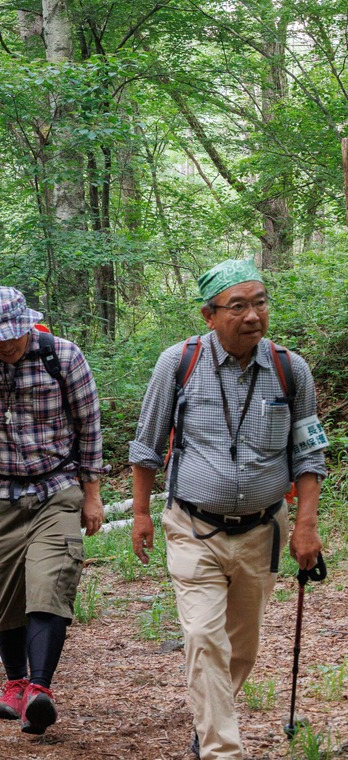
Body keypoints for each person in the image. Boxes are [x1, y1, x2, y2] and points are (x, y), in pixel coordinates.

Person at [128, 260, 325, 760]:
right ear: (209, 315)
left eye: (259, 302)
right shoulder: (178, 363)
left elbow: (308, 453)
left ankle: (209, 719)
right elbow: (148, 444)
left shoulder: (290, 368)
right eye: (238, 306)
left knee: (241, 648)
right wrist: (142, 513)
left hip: (263, 530)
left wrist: (306, 525)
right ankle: (221, 749)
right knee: (201, 635)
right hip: (193, 526)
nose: (253, 315)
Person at [0, 286, 106, 736]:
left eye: (13, 335)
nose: (7, 344)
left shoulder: (64, 356)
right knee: (6, 592)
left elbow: (89, 426)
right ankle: (14, 682)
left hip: (56, 487)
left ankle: (40, 689)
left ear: (27, 325)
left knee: (50, 580)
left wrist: (91, 495)